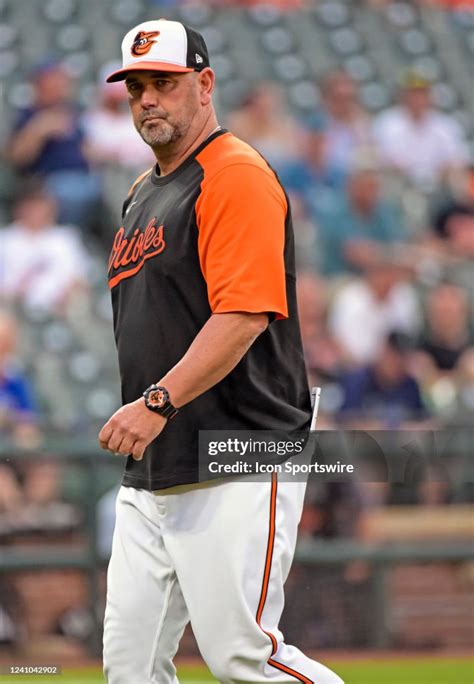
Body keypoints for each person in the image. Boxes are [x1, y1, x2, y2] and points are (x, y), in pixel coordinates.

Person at [99, 19, 343, 684]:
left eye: (165, 83)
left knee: (243, 657)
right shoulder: (142, 191)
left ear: (204, 85)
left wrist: (156, 401)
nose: (148, 98)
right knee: (130, 668)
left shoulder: (234, 174)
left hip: (239, 442)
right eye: (137, 86)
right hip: (161, 457)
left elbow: (242, 316)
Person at [8, 59, 102, 228]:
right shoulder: (28, 114)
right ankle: (69, 235)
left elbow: (89, 149)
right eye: (54, 80)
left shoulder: (72, 112)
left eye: (61, 80)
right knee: (69, 192)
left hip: (85, 177)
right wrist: (38, 130)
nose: (60, 85)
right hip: (47, 181)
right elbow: (18, 158)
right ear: (40, 84)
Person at [0, 182, 89, 314]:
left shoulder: (66, 237)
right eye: (30, 205)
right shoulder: (5, 240)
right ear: (19, 208)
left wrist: (67, 295)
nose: (36, 211)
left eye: (40, 205)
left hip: (62, 310)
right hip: (17, 309)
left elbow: (82, 279)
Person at [373, 70, 467, 186]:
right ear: (402, 95)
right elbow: (384, 159)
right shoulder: (387, 123)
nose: (417, 99)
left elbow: (456, 159)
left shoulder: (445, 125)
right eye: (412, 93)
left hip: (440, 184)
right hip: (400, 184)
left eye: (422, 93)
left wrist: (440, 173)